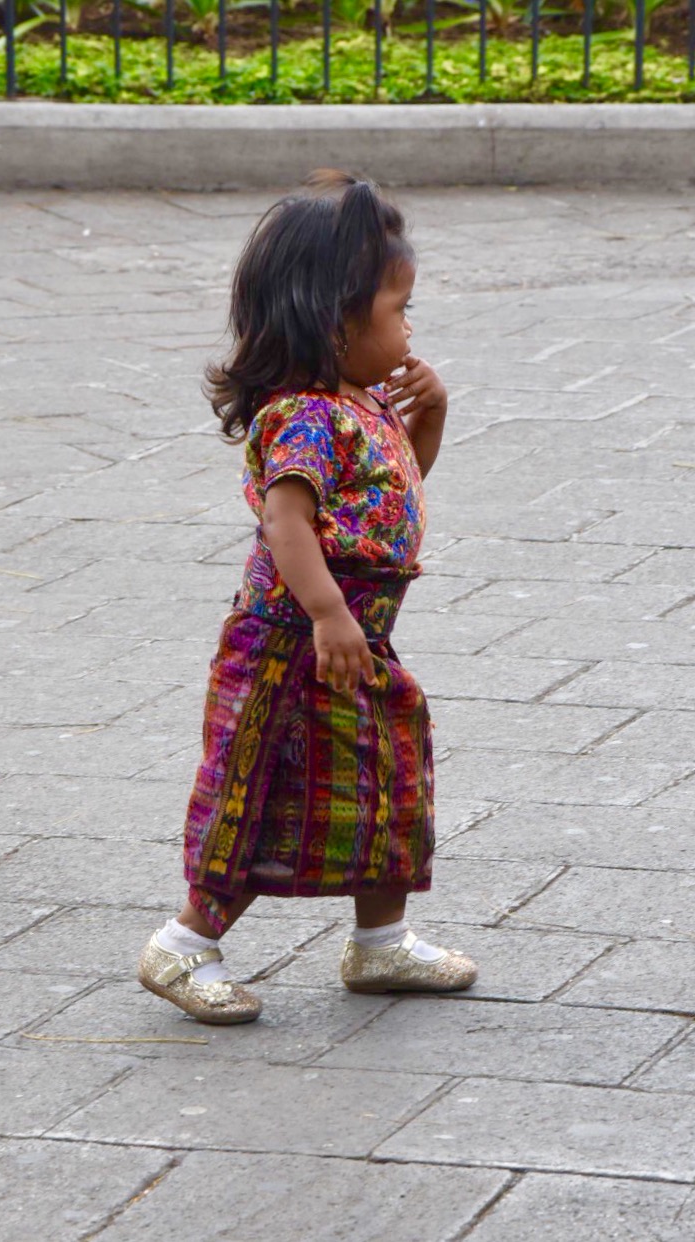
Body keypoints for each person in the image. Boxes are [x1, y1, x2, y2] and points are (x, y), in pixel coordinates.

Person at [139, 171, 477, 1024]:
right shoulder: (305, 416)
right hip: (293, 648)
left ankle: (379, 942)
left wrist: (429, 417)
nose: (409, 328)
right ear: (334, 321)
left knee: (387, 779)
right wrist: (327, 612)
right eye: (399, 309)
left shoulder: (360, 403)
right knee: (265, 796)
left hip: (353, 641)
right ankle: (182, 946)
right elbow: (285, 520)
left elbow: (392, 493)